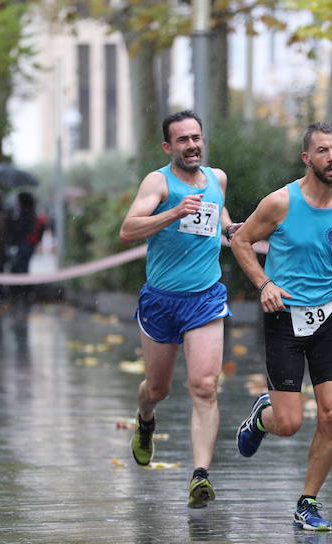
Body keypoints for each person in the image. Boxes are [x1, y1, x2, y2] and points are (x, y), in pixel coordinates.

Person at [230, 122, 332, 531]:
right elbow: (240, 241)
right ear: (307, 158)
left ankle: (308, 502)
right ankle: (262, 416)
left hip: (328, 318)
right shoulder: (280, 203)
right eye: (323, 151)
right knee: (289, 424)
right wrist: (264, 283)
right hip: (284, 317)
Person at [118, 110, 233, 507]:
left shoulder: (217, 179)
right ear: (168, 147)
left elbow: (221, 221)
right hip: (162, 300)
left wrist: (236, 231)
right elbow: (128, 229)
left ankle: (200, 474)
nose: (192, 145)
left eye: (196, 137)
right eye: (183, 140)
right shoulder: (158, 182)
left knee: (204, 386)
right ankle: (145, 420)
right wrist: (172, 212)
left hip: (205, 298)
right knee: (158, 388)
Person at [7, 191, 45, 307]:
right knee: (23, 269)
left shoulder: (24, 215)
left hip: (23, 246)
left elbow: (18, 231)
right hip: (28, 245)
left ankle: (21, 294)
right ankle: (24, 294)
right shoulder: (32, 214)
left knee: (19, 270)